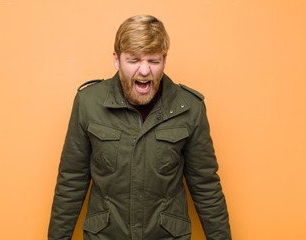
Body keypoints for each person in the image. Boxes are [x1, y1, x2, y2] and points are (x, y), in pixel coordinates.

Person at [48, 15, 231, 240]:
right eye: (133, 60)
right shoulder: (88, 102)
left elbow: (206, 187)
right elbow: (71, 181)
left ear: (164, 60)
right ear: (117, 59)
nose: (144, 71)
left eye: (153, 61)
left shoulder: (190, 107)